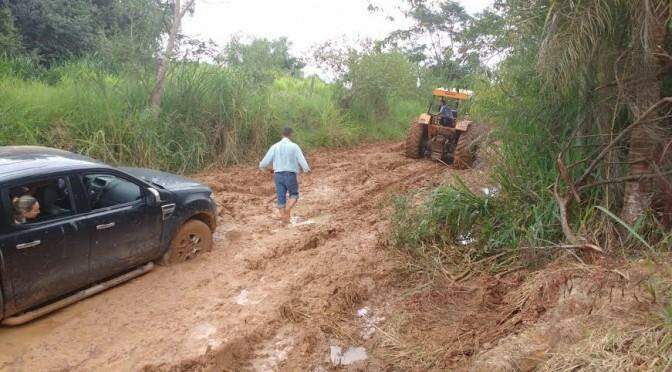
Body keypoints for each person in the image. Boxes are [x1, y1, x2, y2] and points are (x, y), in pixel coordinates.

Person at [259, 127, 311, 223]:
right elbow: (302, 161)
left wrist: (266, 169)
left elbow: (263, 164)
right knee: (294, 195)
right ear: (291, 135)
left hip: (278, 175)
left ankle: (285, 222)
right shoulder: (294, 146)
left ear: (282, 135)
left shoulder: (274, 146)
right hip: (290, 175)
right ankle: (287, 210)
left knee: (281, 198)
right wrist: (306, 170)